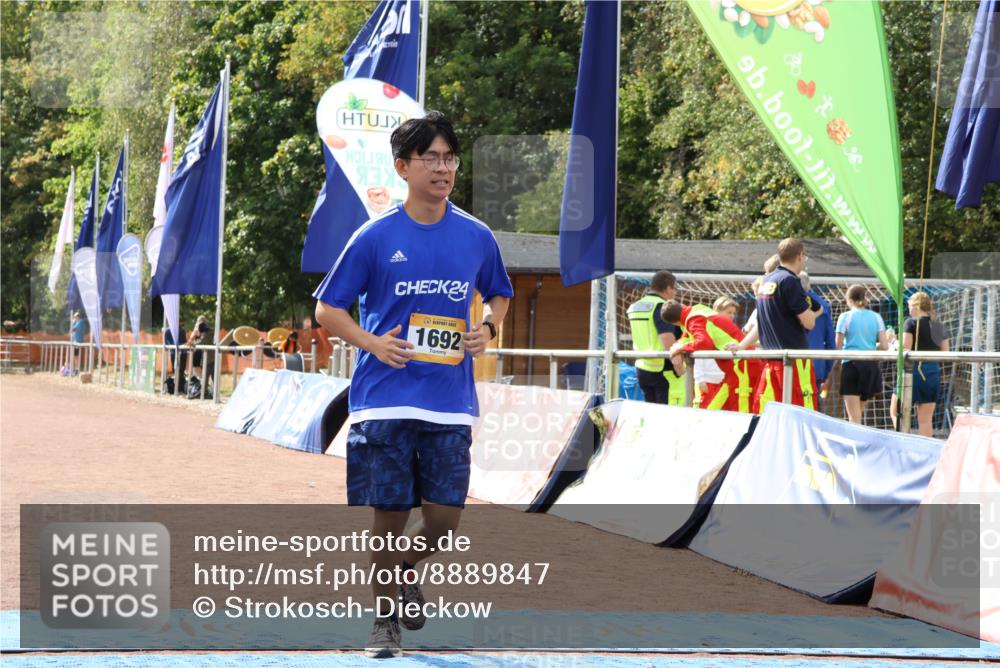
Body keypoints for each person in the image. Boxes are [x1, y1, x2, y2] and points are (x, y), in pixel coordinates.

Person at [313, 112, 513, 659]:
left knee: (444, 523)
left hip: (450, 403)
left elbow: (499, 293)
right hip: (384, 399)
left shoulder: (477, 236)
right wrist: (374, 343)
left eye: (450, 158)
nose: (444, 168)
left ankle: (400, 572)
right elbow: (328, 309)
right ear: (403, 167)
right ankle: (383, 623)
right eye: (431, 158)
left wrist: (487, 328)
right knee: (389, 518)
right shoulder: (374, 237)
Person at [730, 238, 821, 413]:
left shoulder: (765, 282)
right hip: (794, 363)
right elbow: (809, 322)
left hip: (771, 363)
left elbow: (762, 323)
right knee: (801, 414)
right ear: (800, 256)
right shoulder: (790, 281)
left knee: (771, 415)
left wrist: (742, 345)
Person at [664, 301, 753, 412]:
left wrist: (680, 349)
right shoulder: (695, 312)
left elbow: (703, 342)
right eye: (729, 312)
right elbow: (685, 339)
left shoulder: (694, 318)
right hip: (737, 366)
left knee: (742, 409)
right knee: (728, 408)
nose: (732, 316)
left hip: (742, 364)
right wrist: (677, 348)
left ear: (676, 323)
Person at [890, 292, 949, 437]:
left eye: (909, 306)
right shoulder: (939, 326)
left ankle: (904, 443)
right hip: (932, 373)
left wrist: (892, 341)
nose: (908, 309)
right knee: (925, 420)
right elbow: (946, 352)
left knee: (895, 412)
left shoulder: (910, 322)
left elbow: (905, 348)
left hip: (913, 372)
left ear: (916, 306)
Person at [626, 270, 685, 405]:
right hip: (663, 370)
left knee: (651, 415)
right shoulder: (661, 307)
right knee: (668, 416)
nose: (675, 292)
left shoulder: (635, 307)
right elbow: (667, 339)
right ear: (668, 287)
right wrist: (678, 365)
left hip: (642, 368)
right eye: (674, 288)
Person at [834, 285, 888, 425]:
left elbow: (837, 347)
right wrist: (870, 347)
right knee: (859, 413)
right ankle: (859, 444)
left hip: (851, 366)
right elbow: (884, 346)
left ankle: (855, 445)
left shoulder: (845, 317)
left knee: (854, 417)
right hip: (870, 367)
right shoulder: (876, 317)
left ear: (848, 299)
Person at [800, 272, 836, 400]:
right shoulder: (824, 306)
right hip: (816, 366)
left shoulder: (788, 304)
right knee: (813, 409)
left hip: (792, 365)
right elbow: (831, 343)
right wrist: (826, 371)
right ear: (809, 284)